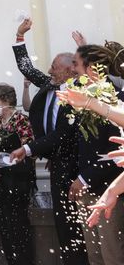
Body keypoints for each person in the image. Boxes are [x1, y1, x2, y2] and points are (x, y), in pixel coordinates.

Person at [8, 19, 88, 265]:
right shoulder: (49, 84)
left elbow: (62, 134)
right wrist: (20, 36)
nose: (50, 70)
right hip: (57, 163)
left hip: (75, 166)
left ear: (68, 70)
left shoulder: (79, 93)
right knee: (62, 221)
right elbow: (27, 68)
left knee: (75, 224)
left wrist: (28, 148)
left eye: (54, 67)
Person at [56, 44, 124, 264]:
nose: (73, 69)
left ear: (92, 67)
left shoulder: (112, 98)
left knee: (112, 256)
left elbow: (113, 152)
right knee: (95, 258)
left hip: (108, 187)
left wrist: (86, 178)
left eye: (76, 63)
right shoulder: (83, 98)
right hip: (88, 188)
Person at [0, 84, 35, 265]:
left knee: (18, 226)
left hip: (17, 182)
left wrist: (0, 154)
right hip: (0, 179)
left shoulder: (20, 120)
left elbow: (28, 150)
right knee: (5, 227)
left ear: (7, 101)